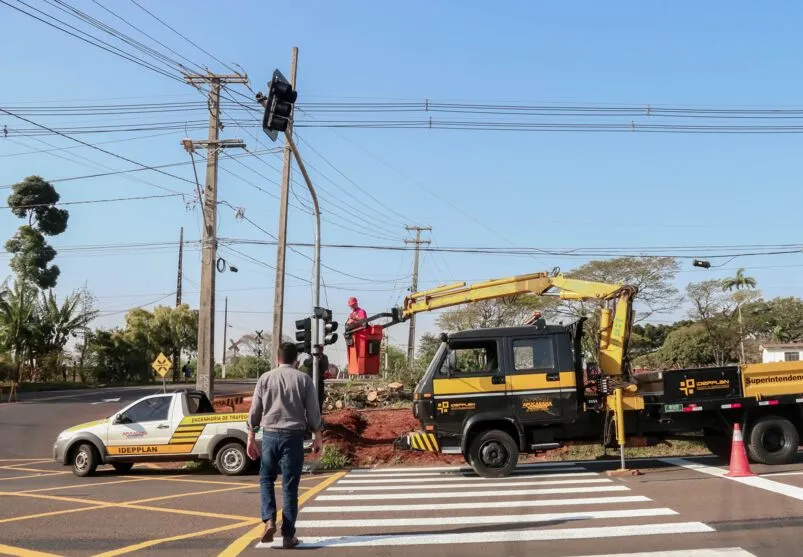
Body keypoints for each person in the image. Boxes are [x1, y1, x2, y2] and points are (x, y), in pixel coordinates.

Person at [247, 342, 323, 549]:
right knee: (290, 487)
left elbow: (255, 411)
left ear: (277, 359)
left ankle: (269, 520)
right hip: (294, 438)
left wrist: (251, 436)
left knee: (266, 479)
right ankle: (288, 536)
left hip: (270, 436)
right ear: (296, 361)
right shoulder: (304, 379)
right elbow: (313, 411)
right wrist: (318, 435)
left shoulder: (265, 378)